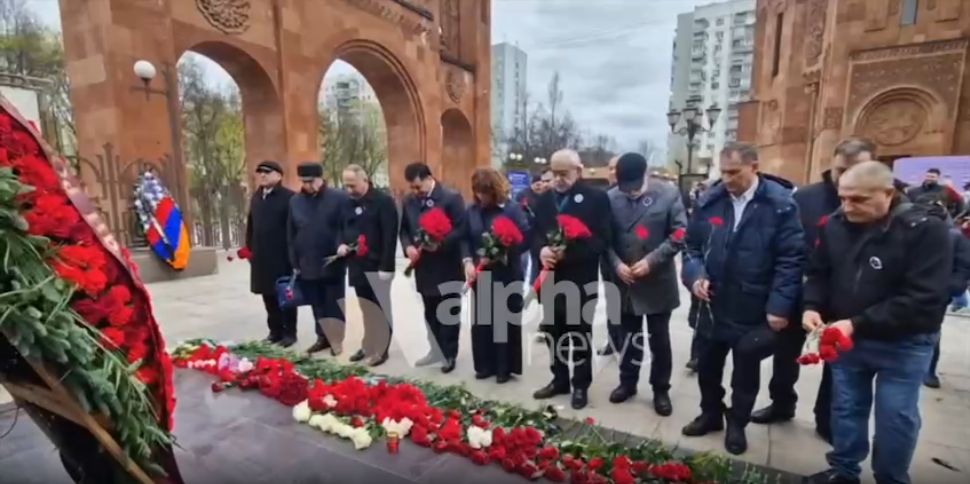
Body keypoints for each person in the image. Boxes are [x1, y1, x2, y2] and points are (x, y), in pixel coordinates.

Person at [802, 161, 950, 484]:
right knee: (846, 407)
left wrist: (857, 323)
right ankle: (843, 471)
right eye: (843, 197)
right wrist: (812, 306)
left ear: (888, 193)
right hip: (848, 338)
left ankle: (891, 477)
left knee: (895, 416)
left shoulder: (925, 229)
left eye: (858, 199)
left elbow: (924, 297)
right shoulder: (834, 224)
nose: (847, 206)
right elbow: (819, 273)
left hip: (904, 342)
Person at [751, 137, 881, 442]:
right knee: (785, 355)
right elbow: (785, 246)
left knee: (837, 364)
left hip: (848, 301)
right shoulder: (805, 198)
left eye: (856, 170)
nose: (846, 178)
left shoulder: (878, 203)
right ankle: (782, 403)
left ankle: (827, 419)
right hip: (802, 292)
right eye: (841, 170)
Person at [680, 143, 804, 455]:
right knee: (707, 366)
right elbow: (691, 247)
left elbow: (791, 259)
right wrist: (695, 276)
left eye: (734, 172)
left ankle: (737, 422)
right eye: (722, 172)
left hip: (753, 303)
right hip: (712, 303)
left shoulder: (780, 204)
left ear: (754, 167)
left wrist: (779, 306)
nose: (727, 179)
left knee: (745, 371)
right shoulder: (710, 201)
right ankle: (711, 413)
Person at [606, 152, 687, 416]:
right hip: (625, 280)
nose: (630, 193)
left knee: (659, 340)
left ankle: (660, 389)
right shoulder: (610, 198)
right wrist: (616, 264)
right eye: (625, 188)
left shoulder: (668, 194)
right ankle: (627, 382)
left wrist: (652, 261)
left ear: (646, 175)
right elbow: (604, 239)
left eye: (635, 187)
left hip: (657, 280)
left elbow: (679, 233)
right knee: (628, 337)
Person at [531, 149, 612, 409]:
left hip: (580, 279)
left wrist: (570, 252)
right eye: (554, 173)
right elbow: (534, 232)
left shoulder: (596, 198)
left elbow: (602, 239)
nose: (558, 179)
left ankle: (580, 384)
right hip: (551, 277)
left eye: (564, 173)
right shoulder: (544, 199)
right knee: (553, 332)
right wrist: (541, 250)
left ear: (579, 170)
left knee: (578, 333)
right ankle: (559, 379)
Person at [462, 168, 529, 383]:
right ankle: (484, 365)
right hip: (480, 275)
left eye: (485, 192)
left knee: (503, 321)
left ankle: (504, 367)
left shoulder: (512, 210)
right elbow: (465, 238)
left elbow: (525, 238)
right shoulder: (471, 210)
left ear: (495, 190)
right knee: (483, 321)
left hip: (506, 273)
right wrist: (467, 261)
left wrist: (501, 253)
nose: (481, 197)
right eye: (478, 192)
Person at [399, 162, 466, 373]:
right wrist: (408, 246)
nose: (415, 191)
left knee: (448, 312)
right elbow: (404, 229)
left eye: (418, 186)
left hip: (447, 265)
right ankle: (435, 349)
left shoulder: (451, 198)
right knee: (430, 312)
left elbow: (461, 230)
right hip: (424, 266)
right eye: (412, 187)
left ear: (429, 179)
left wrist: (440, 243)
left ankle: (449, 353)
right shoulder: (409, 201)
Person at [339, 164, 399, 367]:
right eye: (346, 185)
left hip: (377, 265)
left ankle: (381, 349)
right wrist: (341, 244)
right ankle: (368, 344)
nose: (349, 190)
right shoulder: (347, 202)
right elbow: (341, 227)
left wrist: (386, 267)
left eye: (353, 185)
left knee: (380, 308)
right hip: (356, 264)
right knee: (366, 308)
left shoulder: (383, 202)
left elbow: (389, 237)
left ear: (364, 180)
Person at [288, 162, 349, 355]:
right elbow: (291, 233)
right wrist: (294, 261)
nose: (307, 185)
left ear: (321, 178)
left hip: (332, 260)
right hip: (307, 261)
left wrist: (342, 244)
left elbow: (345, 226)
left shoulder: (338, 198)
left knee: (334, 303)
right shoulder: (295, 201)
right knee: (317, 304)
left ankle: (336, 340)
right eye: (304, 182)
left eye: (311, 181)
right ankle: (322, 337)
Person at [912, 195, 970, 389]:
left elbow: (963, 269)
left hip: (936, 298)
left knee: (930, 332)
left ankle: (929, 371)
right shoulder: (908, 232)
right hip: (907, 293)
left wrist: (947, 291)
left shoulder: (955, 238)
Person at [244, 161, 298, 347]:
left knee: (285, 296)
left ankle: (290, 333)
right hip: (261, 257)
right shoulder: (257, 197)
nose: (263, 175)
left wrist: (294, 256)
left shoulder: (289, 198)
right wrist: (250, 249)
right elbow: (251, 226)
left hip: (282, 256)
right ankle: (275, 331)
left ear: (279, 175)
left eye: (267, 172)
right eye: (260, 172)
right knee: (268, 296)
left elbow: (295, 228)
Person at [598, 155, 624, 356]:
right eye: (610, 168)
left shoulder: (632, 195)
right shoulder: (603, 196)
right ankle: (613, 340)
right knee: (612, 299)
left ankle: (626, 341)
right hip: (607, 257)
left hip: (628, 258)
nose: (613, 172)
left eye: (617, 168)